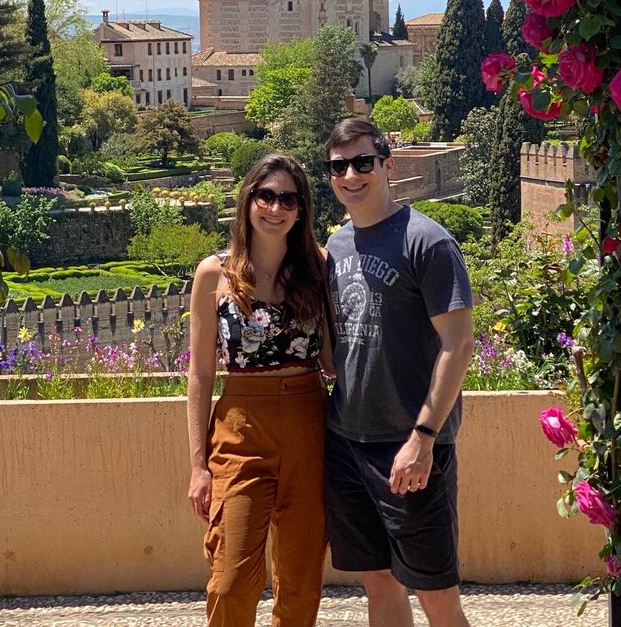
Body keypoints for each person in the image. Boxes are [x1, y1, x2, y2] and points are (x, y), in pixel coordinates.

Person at [323, 117, 474, 627]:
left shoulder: (427, 242)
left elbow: (458, 343)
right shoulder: (337, 247)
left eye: (363, 162)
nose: (351, 175)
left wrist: (423, 438)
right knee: (379, 584)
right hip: (347, 443)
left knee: (437, 597)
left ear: (387, 165)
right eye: (339, 167)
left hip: (410, 446)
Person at [187, 152, 333, 627]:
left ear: (301, 209)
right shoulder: (215, 273)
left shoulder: (319, 266)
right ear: (247, 200)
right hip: (240, 431)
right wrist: (198, 466)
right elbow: (200, 375)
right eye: (265, 195)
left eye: (288, 199)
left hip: (309, 427)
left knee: (301, 584)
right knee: (230, 581)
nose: (275, 207)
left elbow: (332, 360)